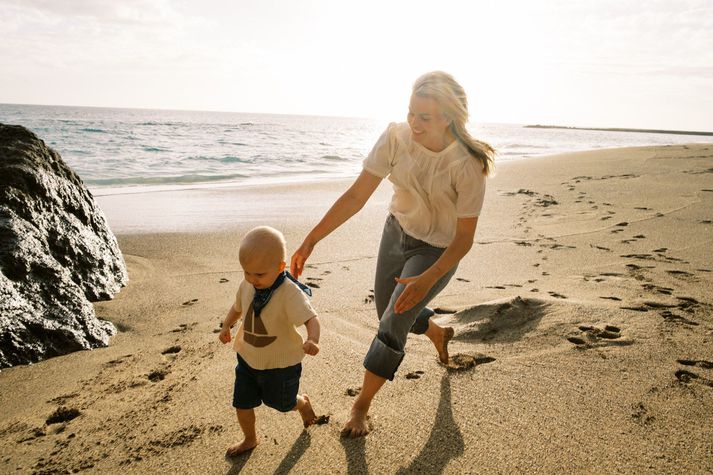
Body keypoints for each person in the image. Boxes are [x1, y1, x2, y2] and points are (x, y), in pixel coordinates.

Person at [290, 71, 494, 438]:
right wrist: (311, 239)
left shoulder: (467, 164)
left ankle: (361, 407)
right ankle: (435, 332)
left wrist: (429, 277)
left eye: (425, 117)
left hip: (438, 250)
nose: (414, 123)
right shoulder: (396, 137)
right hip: (396, 233)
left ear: (448, 117)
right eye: (411, 112)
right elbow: (356, 196)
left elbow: (464, 238)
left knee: (392, 322)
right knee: (388, 307)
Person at [219, 226, 321, 455]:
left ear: (280, 267)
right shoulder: (247, 285)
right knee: (242, 403)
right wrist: (226, 325)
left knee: (282, 404)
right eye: (247, 272)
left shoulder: (289, 293)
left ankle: (302, 403)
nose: (252, 279)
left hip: (281, 365)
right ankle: (250, 439)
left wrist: (312, 339)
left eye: (259, 274)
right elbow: (237, 308)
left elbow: (311, 318)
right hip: (247, 358)